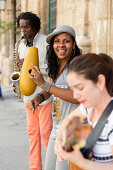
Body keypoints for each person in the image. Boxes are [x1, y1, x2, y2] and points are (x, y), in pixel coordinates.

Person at [28, 25, 82, 170]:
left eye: (66, 41)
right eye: (57, 41)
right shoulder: (56, 65)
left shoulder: (79, 66)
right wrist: (39, 96)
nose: (61, 45)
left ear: (74, 44)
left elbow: (78, 97)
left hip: (74, 128)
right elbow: (52, 88)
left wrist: (43, 84)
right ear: (52, 45)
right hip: (57, 127)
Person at [54, 53, 113, 170]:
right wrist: (60, 140)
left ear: (100, 81)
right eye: (73, 89)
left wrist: (81, 162)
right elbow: (69, 119)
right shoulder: (89, 107)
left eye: (80, 88)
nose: (75, 96)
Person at [16, 12, 53, 170]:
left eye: (27, 27)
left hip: (44, 95)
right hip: (27, 97)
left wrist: (31, 66)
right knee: (33, 134)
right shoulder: (21, 45)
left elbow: (53, 69)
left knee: (46, 133)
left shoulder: (46, 43)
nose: (23, 31)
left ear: (35, 26)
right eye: (21, 27)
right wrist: (20, 66)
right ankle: (35, 167)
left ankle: (53, 165)